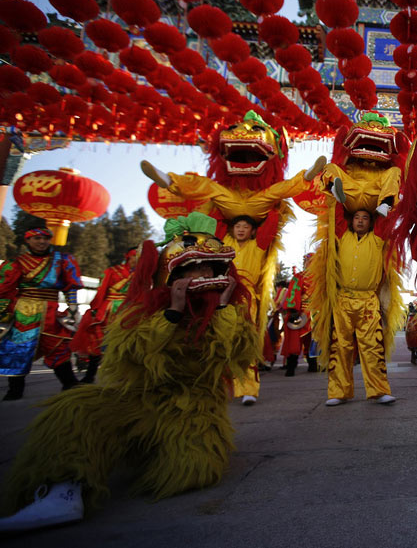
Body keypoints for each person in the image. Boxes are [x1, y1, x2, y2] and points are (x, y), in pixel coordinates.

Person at [0, 213, 258, 533]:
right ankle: (62, 491)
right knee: (75, 408)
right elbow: (137, 357)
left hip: (194, 411)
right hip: (141, 400)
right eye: (193, 268)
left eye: (210, 267)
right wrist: (172, 316)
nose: (203, 274)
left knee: (193, 472)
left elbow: (231, 356)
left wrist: (221, 310)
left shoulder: (231, 312)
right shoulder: (144, 311)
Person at [0, 228, 83, 401]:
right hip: (24, 312)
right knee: (18, 349)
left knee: (58, 344)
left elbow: (70, 287)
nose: (41, 242)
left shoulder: (62, 260)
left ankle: (70, 384)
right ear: (27, 241)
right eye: (36, 238)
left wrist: (73, 309)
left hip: (50, 311)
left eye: (45, 238)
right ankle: (15, 391)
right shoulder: (17, 262)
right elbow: (4, 289)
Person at [325, 210, 395, 406]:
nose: (361, 221)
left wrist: (383, 203)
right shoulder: (342, 236)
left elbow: (386, 217)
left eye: (365, 218)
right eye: (357, 217)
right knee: (340, 346)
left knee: (373, 346)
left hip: (368, 301)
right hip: (343, 299)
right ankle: (339, 392)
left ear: (371, 222)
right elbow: (336, 212)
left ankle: (379, 390)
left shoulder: (378, 238)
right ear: (351, 220)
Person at [71, 247, 138, 384]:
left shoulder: (142, 274)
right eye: (135, 256)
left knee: (126, 344)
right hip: (109, 310)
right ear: (128, 256)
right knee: (98, 343)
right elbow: (101, 291)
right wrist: (94, 308)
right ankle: (90, 375)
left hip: (130, 310)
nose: (137, 259)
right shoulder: (112, 272)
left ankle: (124, 375)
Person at [226, 215, 268, 406]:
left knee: (246, 340)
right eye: (237, 226)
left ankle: (248, 389)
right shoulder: (223, 243)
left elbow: (273, 222)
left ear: (253, 230)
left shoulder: (258, 244)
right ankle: (227, 386)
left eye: (246, 226)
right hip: (223, 296)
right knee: (224, 341)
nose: (241, 229)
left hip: (246, 297)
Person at [279, 254, 319, 376]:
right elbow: (293, 292)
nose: (307, 263)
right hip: (301, 313)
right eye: (306, 261)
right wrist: (294, 309)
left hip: (317, 313)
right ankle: (291, 366)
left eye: (310, 261)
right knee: (295, 340)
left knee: (315, 339)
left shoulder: (322, 277)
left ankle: (313, 364)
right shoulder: (298, 277)